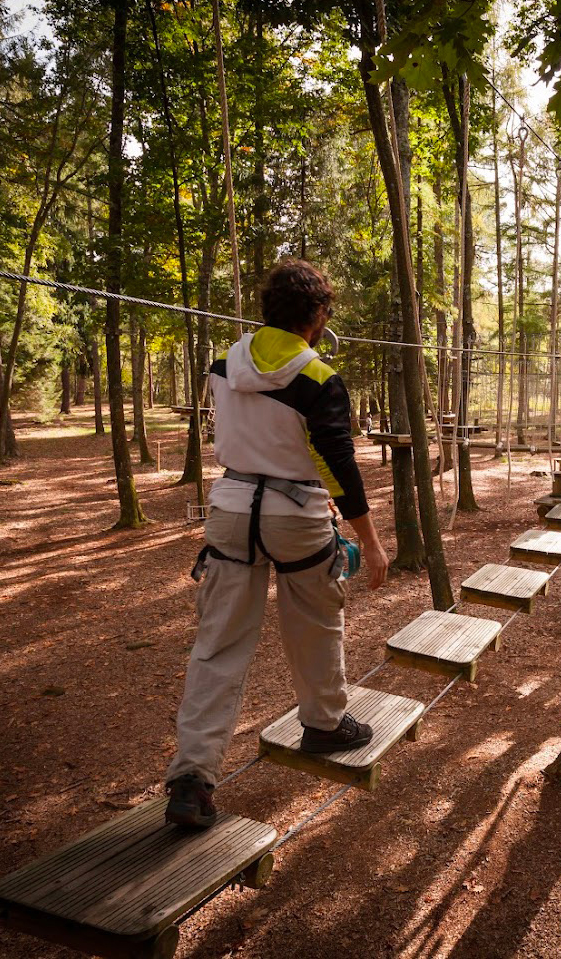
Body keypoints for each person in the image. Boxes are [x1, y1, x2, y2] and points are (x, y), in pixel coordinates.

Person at [164, 258, 389, 828]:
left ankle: (191, 778)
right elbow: (338, 463)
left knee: (217, 646)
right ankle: (323, 724)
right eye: (325, 313)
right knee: (315, 623)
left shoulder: (223, 366)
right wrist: (371, 541)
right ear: (315, 316)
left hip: (232, 512)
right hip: (297, 516)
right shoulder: (318, 378)